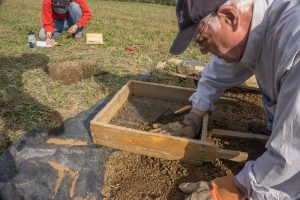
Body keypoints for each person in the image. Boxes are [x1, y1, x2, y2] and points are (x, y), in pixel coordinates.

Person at [166, 0, 300, 199]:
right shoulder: (258, 24)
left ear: (230, 17)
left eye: (203, 39)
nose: (202, 51)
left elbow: (292, 151)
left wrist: (237, 187)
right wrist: (194, 116)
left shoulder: (293, 45)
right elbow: (217, 72)